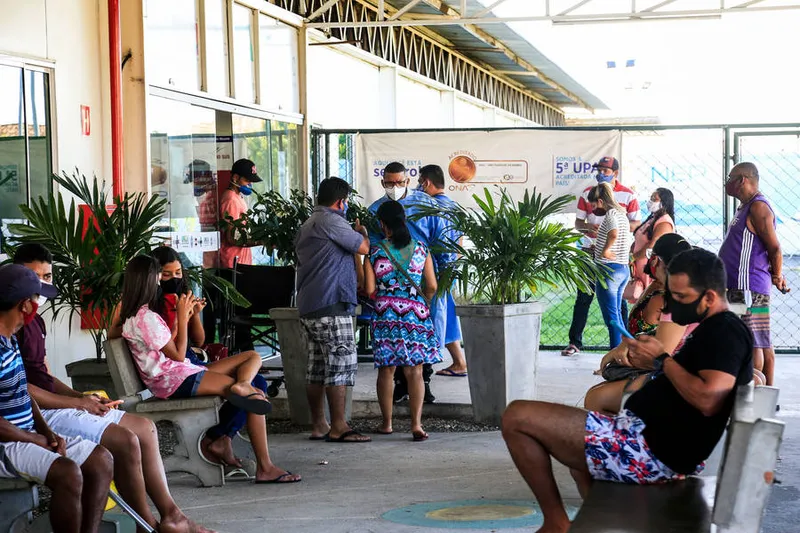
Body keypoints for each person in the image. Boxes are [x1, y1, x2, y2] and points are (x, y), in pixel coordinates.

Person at [502, 248, 753, 533]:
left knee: (517, 417)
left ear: (709, 297)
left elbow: (709, 399)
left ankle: (556, 523)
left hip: (648, 453)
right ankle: (595, 524)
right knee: (574, 456)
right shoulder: (714, 328)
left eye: (681, 297)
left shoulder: (725, 332)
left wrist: (661, 360)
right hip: (642, 441)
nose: (672, 304)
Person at [14, 244, 214, 533]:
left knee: (145, 428)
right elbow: (22, 388)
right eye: (36, 278)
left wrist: (79, 396)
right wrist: (76, 404)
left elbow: (43, 375)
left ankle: (172, 515)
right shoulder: (11, 325)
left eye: (47, 277)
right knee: (126, 441)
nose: (42, 286)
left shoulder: (37, 322)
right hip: (41, 413)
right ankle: (148, 523)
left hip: (57, 402)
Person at [119, 255, 300, 484]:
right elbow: (177, 353)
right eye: (160, 275)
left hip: (179, 372)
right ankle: (265, 466)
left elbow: (172, 346)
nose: (162, 280)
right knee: (255, 395)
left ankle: (241, 389)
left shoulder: (140, 316)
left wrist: (186, 316)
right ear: (149, 280)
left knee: (252, 357)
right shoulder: (146, 318)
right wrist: (183, 318)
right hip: (174, 379)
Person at [0, 263, 114, 533]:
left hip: (26, 435)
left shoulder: (10, 338)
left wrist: (48, 432)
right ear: (25, 306)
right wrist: (34, 439)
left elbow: (23, 393)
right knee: (68, 473)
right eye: (36, 299)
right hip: (6, 444)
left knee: (101, 459)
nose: (39, 305)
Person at [150, 246, 268, 470]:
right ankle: (221, 441)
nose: (173, 279)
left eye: (177, 273)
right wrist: (180, 318)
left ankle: (220, 438)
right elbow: (174, 348)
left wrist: (193, 315)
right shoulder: (156, 308)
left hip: (189, 363)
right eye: (166, 275)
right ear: (155, 276)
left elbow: (200, 341)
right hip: (177, 369)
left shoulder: (179, 298)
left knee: (254, 370)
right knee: (256, 387)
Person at [295, 177, 372, 443]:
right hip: (331, 303)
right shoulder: (332, 221)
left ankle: (319, 424)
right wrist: (362, 232)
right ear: (341, 201)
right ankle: (339, 425)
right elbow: (363, 247)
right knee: (340, 363)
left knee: (317, 367)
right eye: (347, 201)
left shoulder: (308, 223)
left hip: (310, 304)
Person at [584, 234, 694, 415]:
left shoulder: (669, 298)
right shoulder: (661, 290)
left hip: (674, 376)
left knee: (597, 397)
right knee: (599, 394)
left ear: (655, 260)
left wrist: (623, 351)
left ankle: (611, 441)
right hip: (670, 370)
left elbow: (660, 357)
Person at [368, 162, 446, 403]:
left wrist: (437, 285)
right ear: (383, 183)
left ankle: (426, 384)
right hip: (394, 284)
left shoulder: (426, 205)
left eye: (399, 182)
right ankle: (402, 388)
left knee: (423, 342)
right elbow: (372, 248)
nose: (395, 187)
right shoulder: (375, 210)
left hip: (424, 278)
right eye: (390, 183)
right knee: (398, 343)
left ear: (408, 181)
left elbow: (441, 240)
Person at [364, 201, 440, 441]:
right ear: (404, 222)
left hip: (385, 314)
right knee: (415, 370)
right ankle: (416, 425)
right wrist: (420, 302)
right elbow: (432, 286)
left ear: (382, 225)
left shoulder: (375, 251)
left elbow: (368, 288)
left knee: (387, 370)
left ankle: (386, 423)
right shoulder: (421, 249)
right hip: (415, 313)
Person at [719, 162, 789, 388]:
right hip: (741, 286)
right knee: (760, 340)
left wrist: (777, 276)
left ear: (742, 180)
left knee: (752, 342)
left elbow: (775, 248)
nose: (727, 183)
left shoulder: (758, 207)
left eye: (730, 178)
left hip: (746, 287)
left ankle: (753, 393)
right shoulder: (746, 206)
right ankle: (766, 392)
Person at [562, 157, 640, 356]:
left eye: (605, 170)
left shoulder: (624, 201)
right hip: (608, 260)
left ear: (615, 172)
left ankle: (618, 354)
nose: (601, 172)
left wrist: (605, 247)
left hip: (607, 264)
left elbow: (626, 228)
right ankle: (624, 349)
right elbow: (579, 224)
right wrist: (590, 228)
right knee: (585, 298)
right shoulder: (609, 207)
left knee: (613, 315)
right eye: (599, 169)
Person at [416, 164, 468, 377]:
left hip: (436, 270)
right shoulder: (454, 206)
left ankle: (428, 365)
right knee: (446, 312)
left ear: (426, 182)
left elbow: (430, 243)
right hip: (451, 269)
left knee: (437, 315)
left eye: (420, 183)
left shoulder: (432, 208)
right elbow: (460, 242)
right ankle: (459, 362)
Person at [205, 158, 263, 350]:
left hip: (241, 263)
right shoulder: (230, 199)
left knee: (243, 313)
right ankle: (245, 353)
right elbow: (233, 236)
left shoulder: (238, 198)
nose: (250, 185)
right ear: (235, 177)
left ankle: (245, 354)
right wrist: (260, 240)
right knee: (239, 314)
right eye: (247, 181)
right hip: (232, 264)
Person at [587, 182, 634, 349]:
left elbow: (613, 234)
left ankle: (614, 361)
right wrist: (600, 247)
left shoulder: (611, 214)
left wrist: (605, 250)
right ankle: (625, 352)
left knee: (612, 319)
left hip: (609, 270)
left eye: (593, 205)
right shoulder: (622, 214)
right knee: (618, 317)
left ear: (600, 201)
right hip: (622, 269)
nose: (593, 209)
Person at [627, 187, 676, 302]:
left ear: (664, 203)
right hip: (640, 266)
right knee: (640, 301)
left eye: (655, 199)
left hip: (651, 268)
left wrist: (633, 257)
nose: (651, 201)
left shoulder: (664, 222)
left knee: (649, 301)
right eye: (651, 198)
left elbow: (652, 247)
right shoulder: (652, 218)